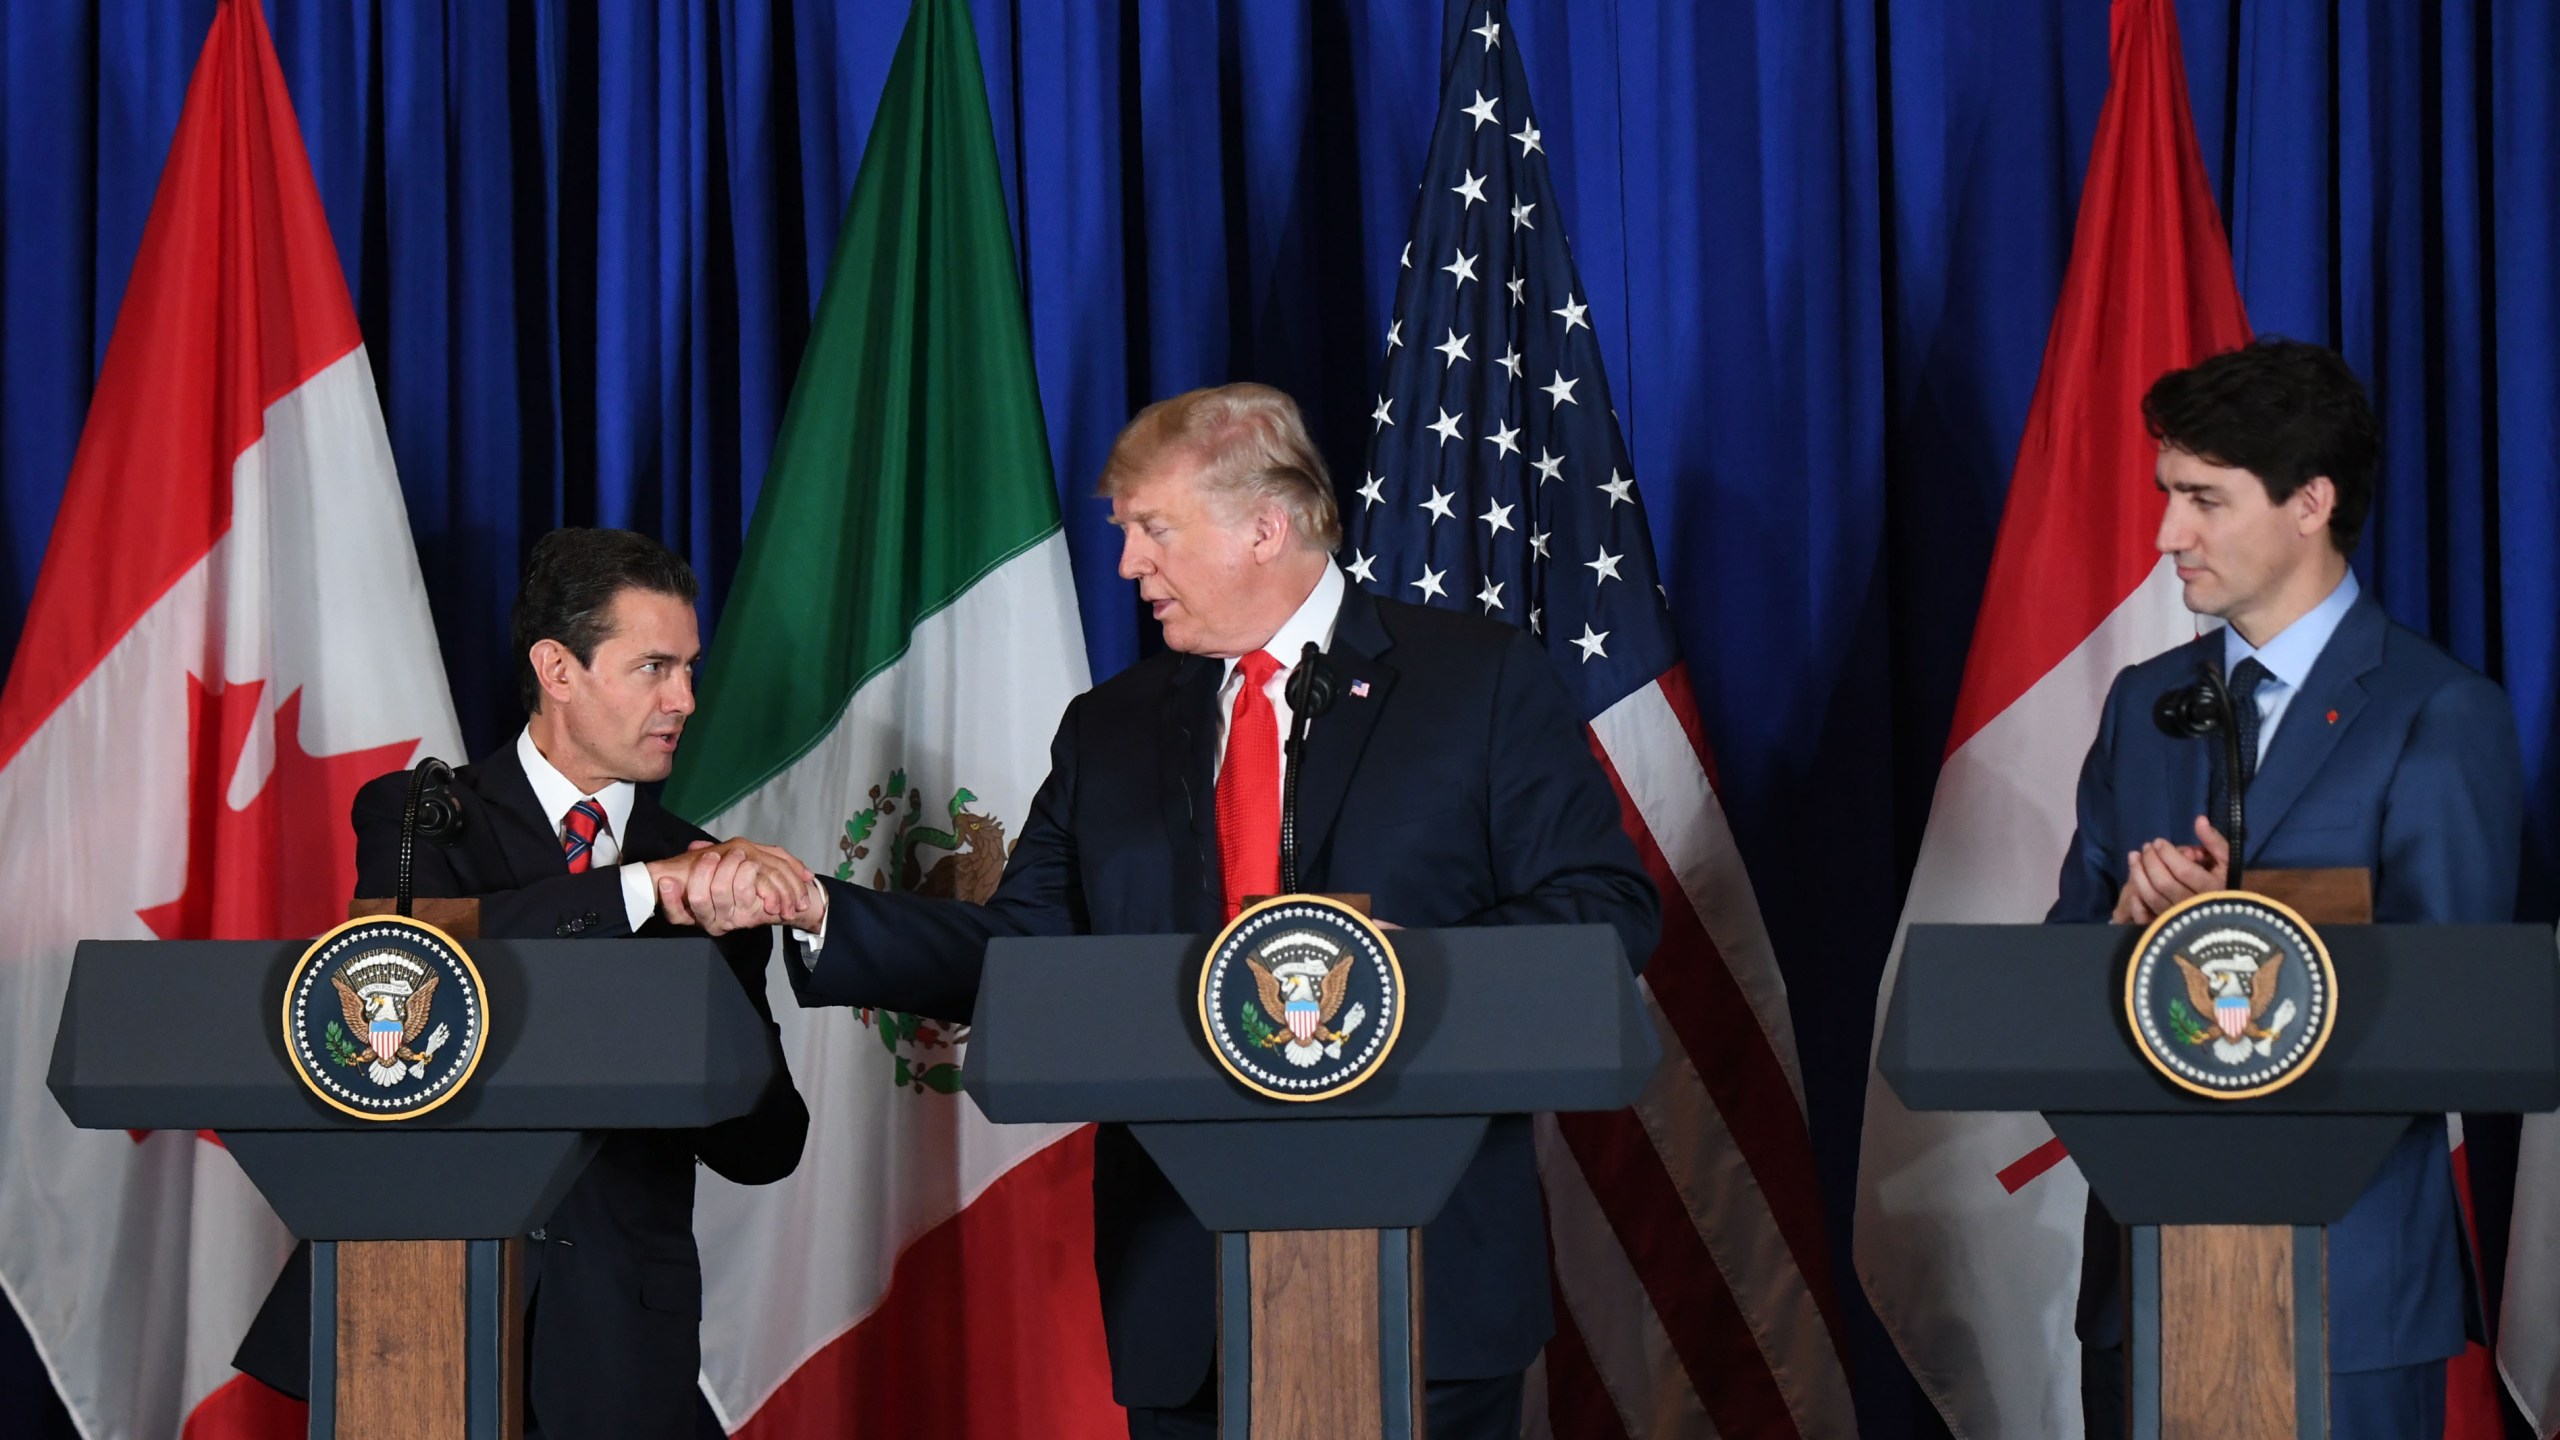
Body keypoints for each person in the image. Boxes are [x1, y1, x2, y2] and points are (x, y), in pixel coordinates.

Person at [689, 383, 1660, 1440]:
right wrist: (823, 911)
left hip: (1429, 1276)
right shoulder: (1110, 729)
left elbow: (1601, 910)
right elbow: (1025, 951)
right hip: (1185, 1291)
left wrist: (1381, 977)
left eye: (1152, 530)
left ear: (1265, 525)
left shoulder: (1476, 684)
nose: (1127, 567)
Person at [234, 528, 811, 1440]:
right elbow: (404, 963)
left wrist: (717, 987)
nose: (685, 700)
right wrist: (637, 892)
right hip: (416, 1314)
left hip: (621, 1338)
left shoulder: (704, 868)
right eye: (655, 667)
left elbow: (766, 1146)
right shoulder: (422, 816)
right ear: (558, 668)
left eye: (690, 669)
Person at [2051, 339, 2523, 1439]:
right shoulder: (2142, 704)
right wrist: (2126, 929)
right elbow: (2056, 959)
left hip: (2342, 1299)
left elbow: (2460, 1013)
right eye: (2168, 496)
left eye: (2203, 500)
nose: (2168, 535)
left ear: (2309, 503)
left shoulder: (2435, 713)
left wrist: (2241, 924)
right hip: (2146, 1285)